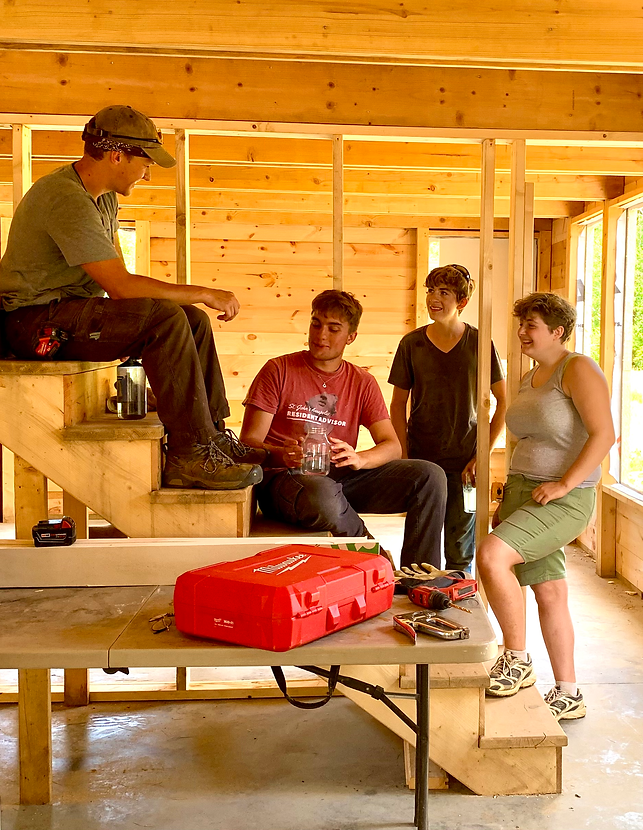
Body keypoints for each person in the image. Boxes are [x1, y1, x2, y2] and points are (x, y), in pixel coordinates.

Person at [0, 104, 263, 491]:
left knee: (191, 319)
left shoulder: (103, 198)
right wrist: (204, 292)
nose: (148, 173)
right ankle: (189, 455)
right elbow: (121, 286)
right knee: (167, 318)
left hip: (67, 311)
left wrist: (190, 304)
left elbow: (117, 281)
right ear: (117, 156)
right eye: (145, 162)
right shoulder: (65, 197)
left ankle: (214, 436)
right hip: (36, 324)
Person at [477, 292, 614, 722]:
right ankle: (569, 693)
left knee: (491, 556)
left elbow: (605, 434)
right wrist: (508, 497)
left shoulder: (578, 369)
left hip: (564, 497)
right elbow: (528, 441)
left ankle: (516, 658)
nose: (522, 331)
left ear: (557, 331)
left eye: (531, 325)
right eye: (521, 324)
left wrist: (565, 483)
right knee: (550, 590)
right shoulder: (530, 376)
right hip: (524, 492)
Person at [240, 289, 447, 568]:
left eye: (333, 328)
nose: (321, 335)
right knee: (323, 494)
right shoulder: (278, 370)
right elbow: (247, 443)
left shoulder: (362, 381)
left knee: (430, 476)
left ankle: (419, 574)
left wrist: (360, 459)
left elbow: (392, 445)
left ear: (351, 337)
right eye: (316, 324)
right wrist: (281, 454)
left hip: (340, 476)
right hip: (287, 479)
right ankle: (372, 554)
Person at [389, 264, 507, 571]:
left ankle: (458, 594)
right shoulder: (411, 344)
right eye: (430, 291)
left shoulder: (480, 344)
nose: (433, 298)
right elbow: (397, 404)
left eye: (443, 293)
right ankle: (418, 591)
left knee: (460, 549)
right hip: (422, 460)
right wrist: (403, 455)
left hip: (465, 462)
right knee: (420, 547)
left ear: (462, 301)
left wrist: (483, 455)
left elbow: (504, 402)